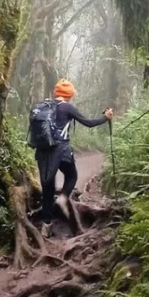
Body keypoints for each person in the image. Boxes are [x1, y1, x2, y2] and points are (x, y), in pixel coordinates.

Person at [36, 79, 113, 236]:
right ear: (69, 95)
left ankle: (46, 226)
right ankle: (63, 199)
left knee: (48, 186)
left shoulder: (44, 106)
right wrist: (106, 117)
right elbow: (89, 123)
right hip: (61, 151)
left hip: (43, 151)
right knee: (72, 175)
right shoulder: (67, 107)